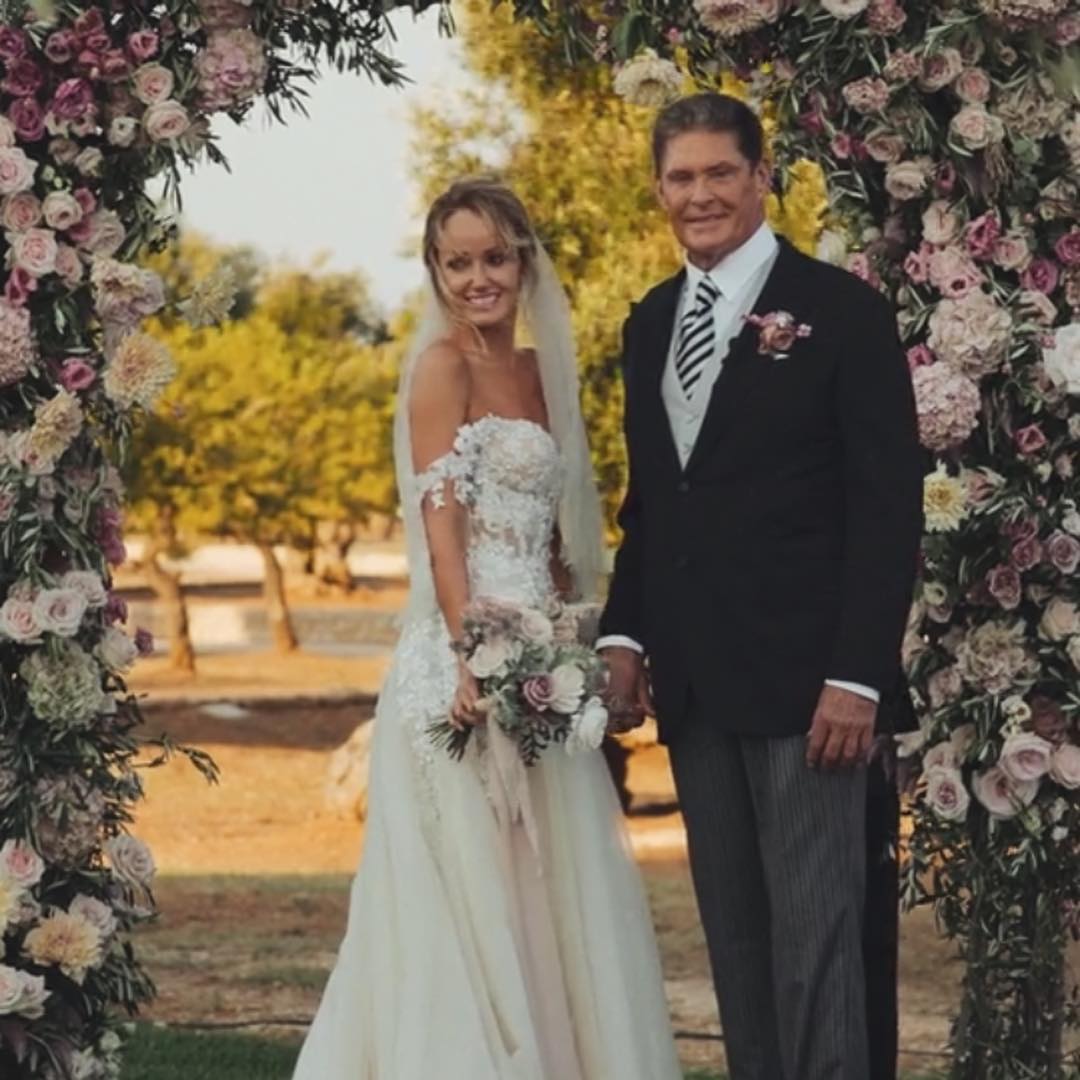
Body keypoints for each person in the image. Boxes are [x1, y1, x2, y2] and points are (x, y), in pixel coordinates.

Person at [293, 178, 683, 1080]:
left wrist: (577, 649)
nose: (479, 279)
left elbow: (553, 537)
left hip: (542, 660)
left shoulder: (542, 369)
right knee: (467, 892)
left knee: (550, 887)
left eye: (495, 258)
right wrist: (474, 655)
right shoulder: (443, 368)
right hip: (462, 666)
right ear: (436, 271)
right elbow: (442, 528)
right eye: (457, 262)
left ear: (524, 261)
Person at [598, 93, 923, 1080]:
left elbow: (887, 510)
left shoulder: (843, 313)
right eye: (680, 177)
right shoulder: (651, 323)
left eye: (719, 173)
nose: (699, 194)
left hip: (812, 695)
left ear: (761, 178)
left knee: (820, 948)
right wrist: (623, 635)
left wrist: (858, 678)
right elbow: (655, 503)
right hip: (697, 691)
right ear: (659, 190)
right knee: (738, 951)